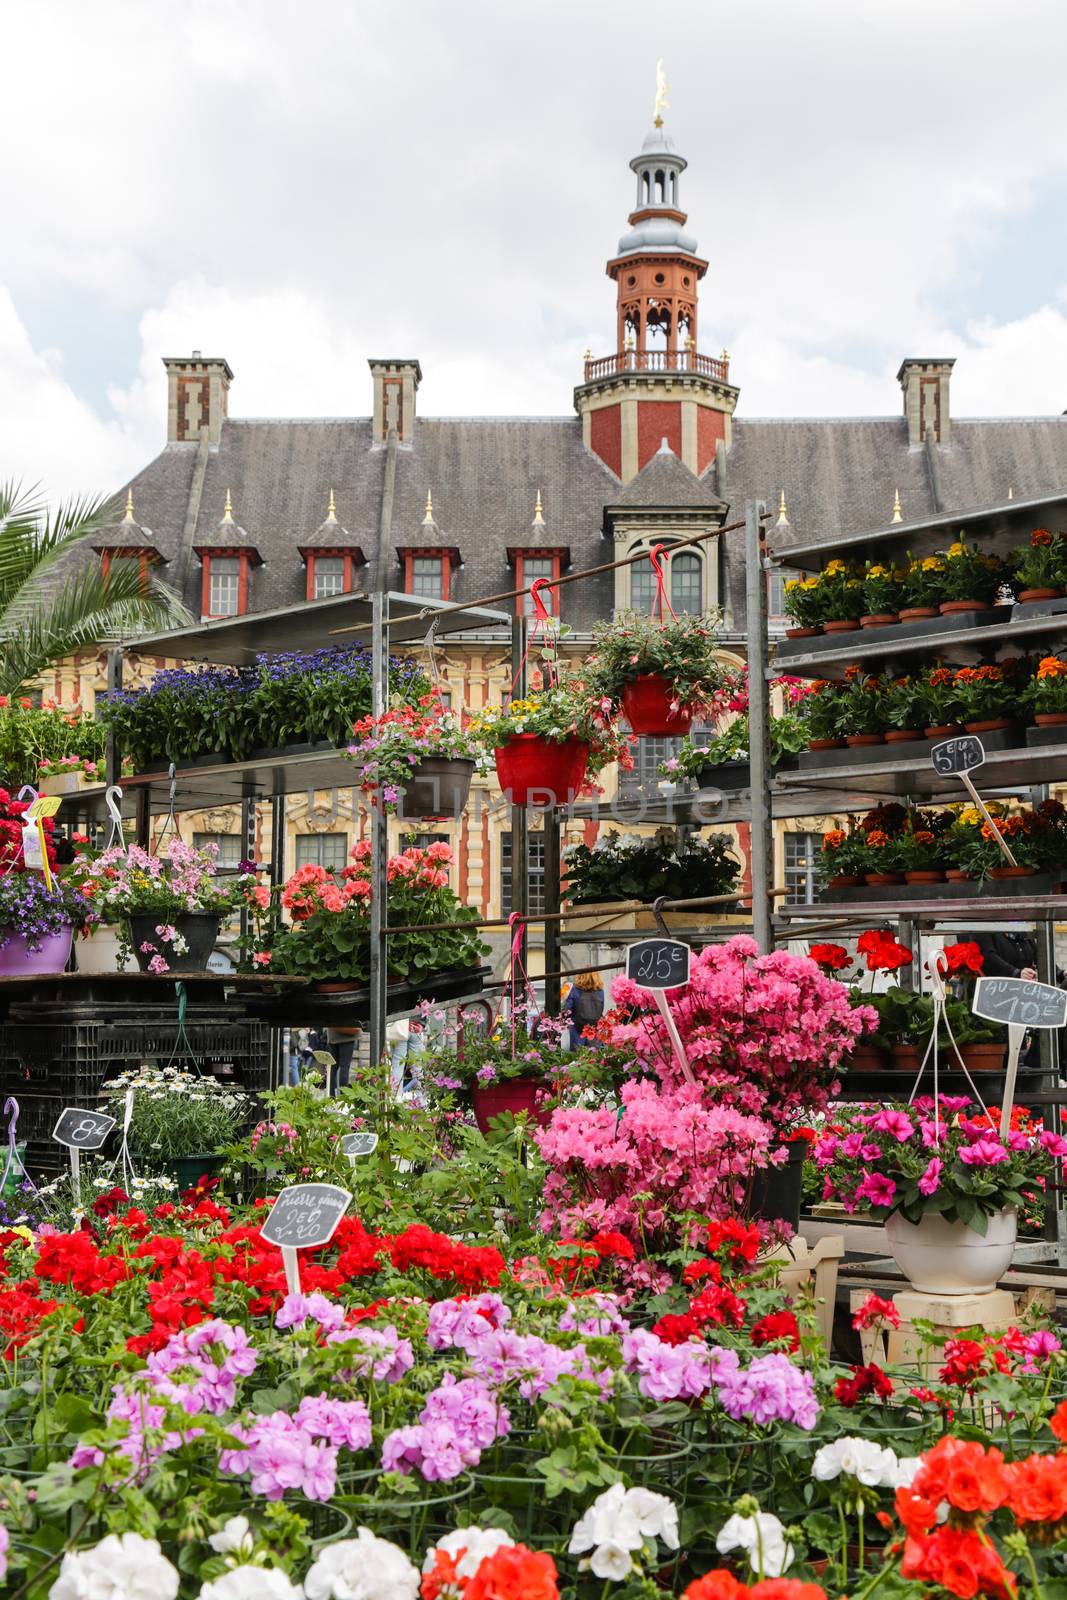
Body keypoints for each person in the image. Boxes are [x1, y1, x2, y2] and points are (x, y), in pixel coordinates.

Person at [564, 972, 604, 1051]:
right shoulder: (600, 991)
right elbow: (601, 1009)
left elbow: (568, 1009)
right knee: (594, 1057)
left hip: (577, 1029)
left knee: (576, 1057)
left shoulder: (574, 989)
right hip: (594, 1030)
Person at [326, 1025, 361, 1093]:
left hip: (333, 1034)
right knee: (344, 1067)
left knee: (333, 1068)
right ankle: (343, 1095)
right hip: (347, 1036)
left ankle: (331, 1095)